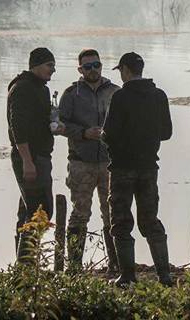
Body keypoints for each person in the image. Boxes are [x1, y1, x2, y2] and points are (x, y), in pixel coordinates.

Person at [102, 52, 173, 286]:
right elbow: (166, 133)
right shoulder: (159, 95)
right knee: (150, 220)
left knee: (121, 222)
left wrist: (106, 138)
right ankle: (165, 275)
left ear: (125, 70)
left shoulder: (120, 97)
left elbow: (108, 134)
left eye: (121, 70)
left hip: (122, 168)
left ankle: (127, 277)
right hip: (149, 167)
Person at [59, 48, 120, 272]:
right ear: (80, 69)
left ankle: (115, 264)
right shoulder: (71, 94)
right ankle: (74, 267)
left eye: (96, 65)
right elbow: (61, 125)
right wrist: (84, 133)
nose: (93, 70)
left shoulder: (115, 91)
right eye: (88, 66)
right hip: (80, 162)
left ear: (101, 66)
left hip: (110, 162)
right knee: (80, 213)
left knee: (112, 212)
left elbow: (126, 123)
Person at [7, 47, 60, 259]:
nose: (53, 70)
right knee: (42, 209)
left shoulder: (41, 88)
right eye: (49, 65)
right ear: (36, 65)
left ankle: (24, 265)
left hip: (41, 155)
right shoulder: (22, 88)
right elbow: (17, 128)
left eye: (54, 66)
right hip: (29, 157)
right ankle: (27, 264)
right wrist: (27, 162)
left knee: (29, 210)